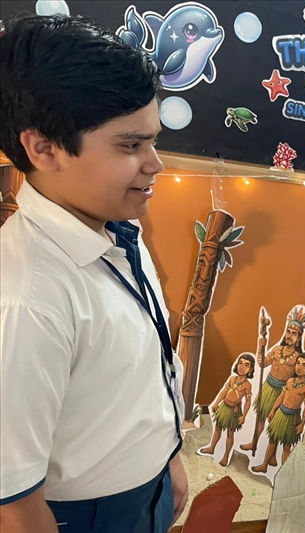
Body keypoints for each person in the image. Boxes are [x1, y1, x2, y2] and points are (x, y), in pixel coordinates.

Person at [0, 14, 187, 533]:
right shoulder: (25, 299)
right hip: (85, 516)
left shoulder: (118, 229)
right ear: (44, 149)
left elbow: (143, 365)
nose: (156, 164)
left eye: (153, 141)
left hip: (149, 484)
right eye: (130, 146)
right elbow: (15, 506)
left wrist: (168, 456)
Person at [240, 306, 305, 454]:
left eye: (294, 334)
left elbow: (297, 378)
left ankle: (272, 455)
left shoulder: (298, 358)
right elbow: (262, 363)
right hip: (269, 386)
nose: (289, 336)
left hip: (283, 392)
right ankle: (254, 443)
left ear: (299, 339)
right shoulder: (277, 350)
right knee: (261, 417)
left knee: (276, 422)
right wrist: (260, 348)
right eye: (288, 332)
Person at [253, 352, 305, 473]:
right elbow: (281, 397)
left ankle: (285, 472)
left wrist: (302, 424)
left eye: (304, 365)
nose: (299, 367)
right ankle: (264, 465)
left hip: (292, 418)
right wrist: (273, 410)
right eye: (298, 363)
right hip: (280, 414)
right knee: (272, 441)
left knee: (286, 447)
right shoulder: (290, 381)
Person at [198, 354, 255, 467]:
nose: (242, 367)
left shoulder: (247, 385)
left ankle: (226, 456)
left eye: (246, 365)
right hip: (224, 407)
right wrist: (216, 402)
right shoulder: (232, 379)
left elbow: (248, 402)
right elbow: (224, 391)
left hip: (234, 411)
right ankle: (212, 448)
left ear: (250, 369)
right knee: (217, 428)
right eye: (240, 363)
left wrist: (243, 416)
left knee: (230, 433)